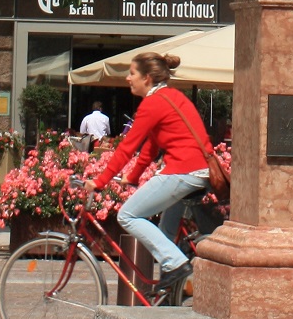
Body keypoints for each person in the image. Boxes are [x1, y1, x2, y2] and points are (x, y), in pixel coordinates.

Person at [87, 52, 214, 294]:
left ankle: (176, 265)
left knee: (127, 216)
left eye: (132, 73)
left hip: (183, 171)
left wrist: (100, 181)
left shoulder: (152, 103)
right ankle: (170, 292)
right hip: (198, 171)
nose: (128, 78)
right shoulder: (171, 96)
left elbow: (128, 147)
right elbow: (150, 148)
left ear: (146, 78)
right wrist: (133, 176)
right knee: (165, 230)